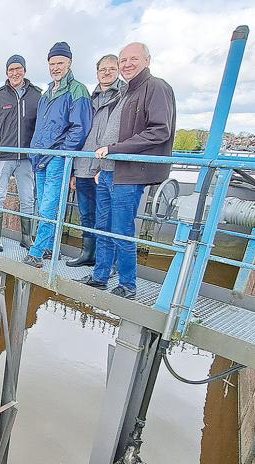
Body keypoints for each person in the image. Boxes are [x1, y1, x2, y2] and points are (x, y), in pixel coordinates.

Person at [84, 42, 175, 299]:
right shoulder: (125, 92)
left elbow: (159, 130)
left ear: (147, 60)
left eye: (133, 59)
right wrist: (105, 165)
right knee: (102, 226)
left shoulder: (156, 87)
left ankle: (127, 284)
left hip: (128, 173)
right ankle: (101, 275)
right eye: (123, 60)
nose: (126, 64)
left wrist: (116, 150)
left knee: (122, 229)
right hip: (110, 171)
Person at [23, 42, 92, 268]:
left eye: (60, 63)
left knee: (48, 206)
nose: (55, 67)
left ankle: (36, 251)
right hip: (40, 157)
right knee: (44, 203)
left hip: (57, 157)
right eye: (52, 63)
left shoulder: (77, 91)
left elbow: (80, 128)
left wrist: (61, 153)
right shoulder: (47, 93)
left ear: (69, 63)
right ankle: (50, 248)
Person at [68, 54, 126, 267]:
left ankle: (108, 262)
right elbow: (80, 133)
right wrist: (74, 170)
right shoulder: (89, 99)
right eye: (103, 69)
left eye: (112, 68)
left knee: (108, 217)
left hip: (107, 168)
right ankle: (88, 254)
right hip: (84, 166)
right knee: (86, 214)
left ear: (118, 70)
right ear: (97, 72)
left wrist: (107, 165)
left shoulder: (124, 96)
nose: (107, 72)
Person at [0, 55, 42, 252]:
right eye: (11, 70)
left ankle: (27, 238)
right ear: (7, 72)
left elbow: (42, 128)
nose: (15, 73)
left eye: (18, 69)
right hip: (3, 156)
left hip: (26, 158)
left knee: (28, 198)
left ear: (24, 70)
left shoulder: (37, 96)